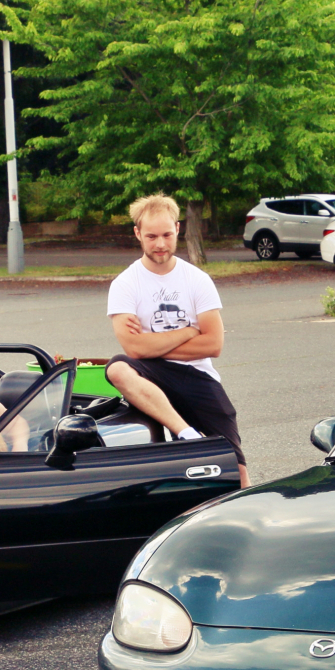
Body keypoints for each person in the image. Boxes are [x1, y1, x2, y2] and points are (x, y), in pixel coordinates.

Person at [104, 194, 249, 487]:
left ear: (178, 229)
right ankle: (187, 434)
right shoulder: (125, 285)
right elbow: (134, 348)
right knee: (118, 368)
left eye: (167, 235)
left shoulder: (197, 280)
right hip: (151, 374)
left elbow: (213, 345)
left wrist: (152, 343)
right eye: (151, 236)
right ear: (137, 233)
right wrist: (189, 331)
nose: (160, 244)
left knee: (237, 470)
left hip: (197, 375)